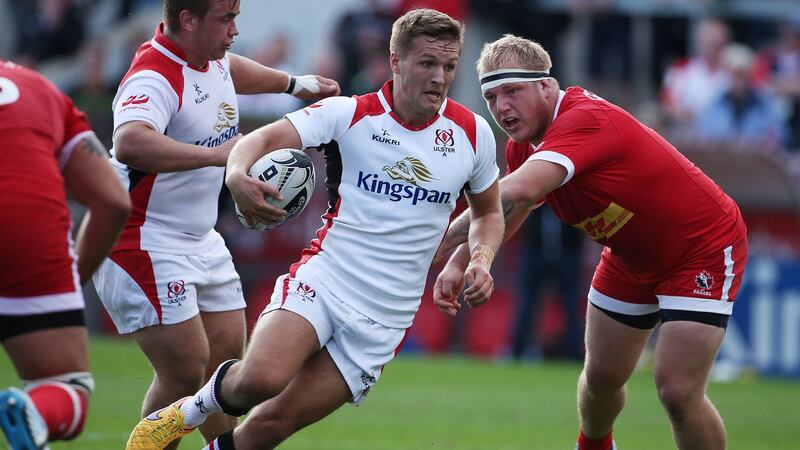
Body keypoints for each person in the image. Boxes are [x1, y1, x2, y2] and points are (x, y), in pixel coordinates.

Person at [125, 8, 503, 450]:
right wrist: (236, 174)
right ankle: (185, 414)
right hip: (325, 281)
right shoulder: (350, 114)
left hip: (385, 317)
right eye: (427, 64)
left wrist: (481, 259)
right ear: (396, 62)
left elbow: (489, 213)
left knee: (268, 428)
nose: (440, 78)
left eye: (449, 66)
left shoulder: (472, 133)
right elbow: (260, 140)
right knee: (258, 380)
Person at [435, 35, 748, 450]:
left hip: (700, 247)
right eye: (491, 97)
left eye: (513, 91)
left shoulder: (585, 118)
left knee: (675, 389)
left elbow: (514, 195)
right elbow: (510, 212)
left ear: (546, 86)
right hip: (630, 258)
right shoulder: (522, 148)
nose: (502, 108)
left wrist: (430, 239)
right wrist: (468, 259)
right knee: (600, 380)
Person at [91, 1, 339, 447]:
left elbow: (228, 71)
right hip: (144, 239)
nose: (235, 30)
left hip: (200, 238)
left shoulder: (206, 57)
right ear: (188, 19)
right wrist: (219, 156)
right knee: (186, 370)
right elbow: (129, 142)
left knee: (224, 367)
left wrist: (294, 83)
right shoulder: (154, 74)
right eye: (226, 19)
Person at [0, 60, 131, 449]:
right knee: (64, 386)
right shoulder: (39, 88)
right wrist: (71, 282)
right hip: (27, 229)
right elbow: (113, 201)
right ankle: (36, 411)